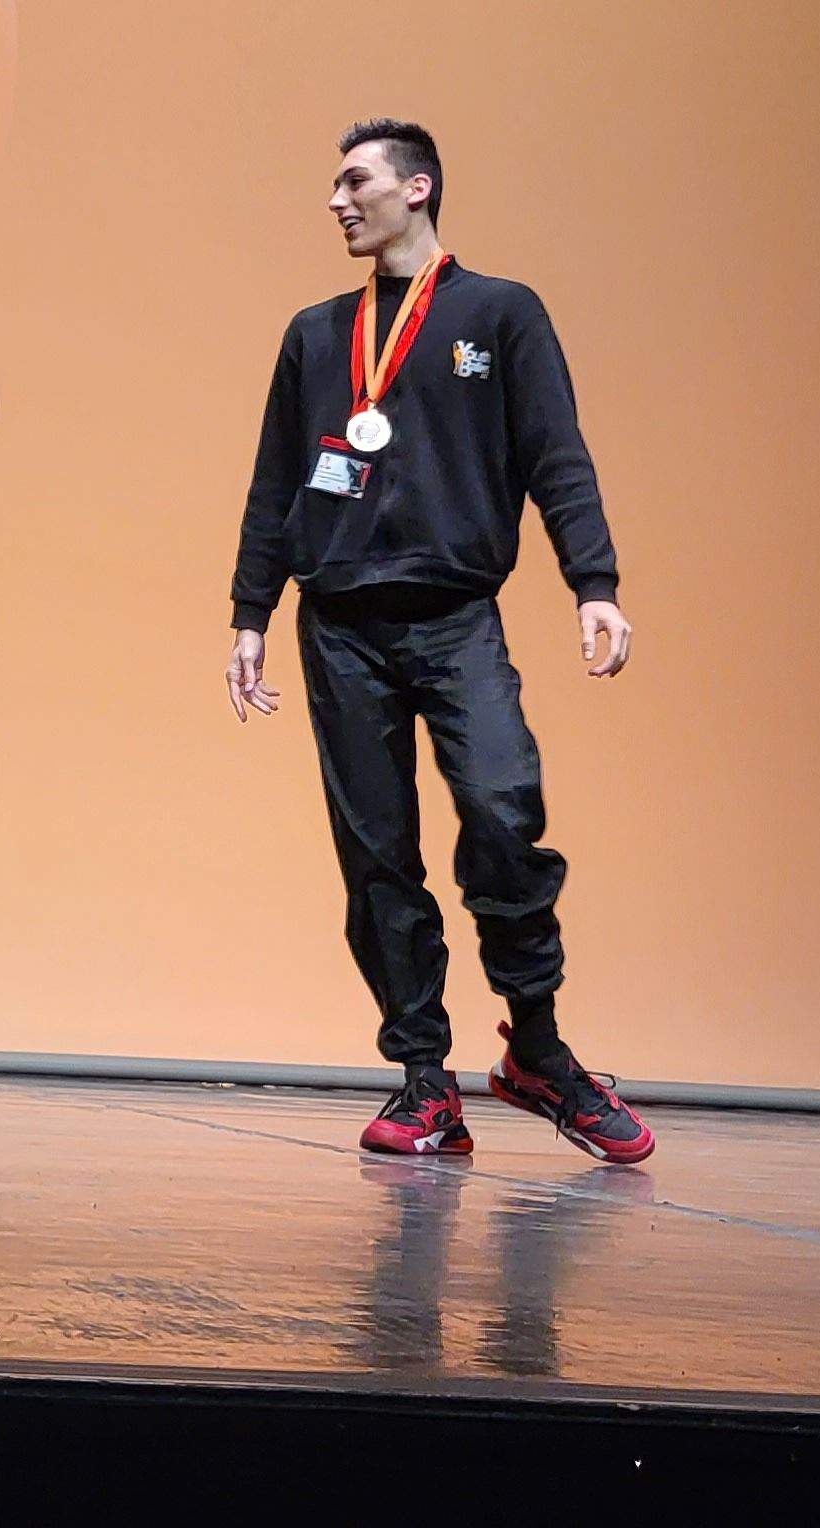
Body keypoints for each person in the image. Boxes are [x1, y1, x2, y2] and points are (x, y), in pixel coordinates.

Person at [225, 119, 652, 1163]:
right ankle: (424, 1078)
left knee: (504, 815)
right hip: (340, 628)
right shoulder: (315, 334)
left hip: (456, 615)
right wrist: (249, 613)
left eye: (353, 180)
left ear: (416, 189)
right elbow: (276, 482)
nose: (335, 199)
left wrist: (591, 583)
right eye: (333, 182)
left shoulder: (498, 314)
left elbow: (556, 455)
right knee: (377, 859)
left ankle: (538, 1051)